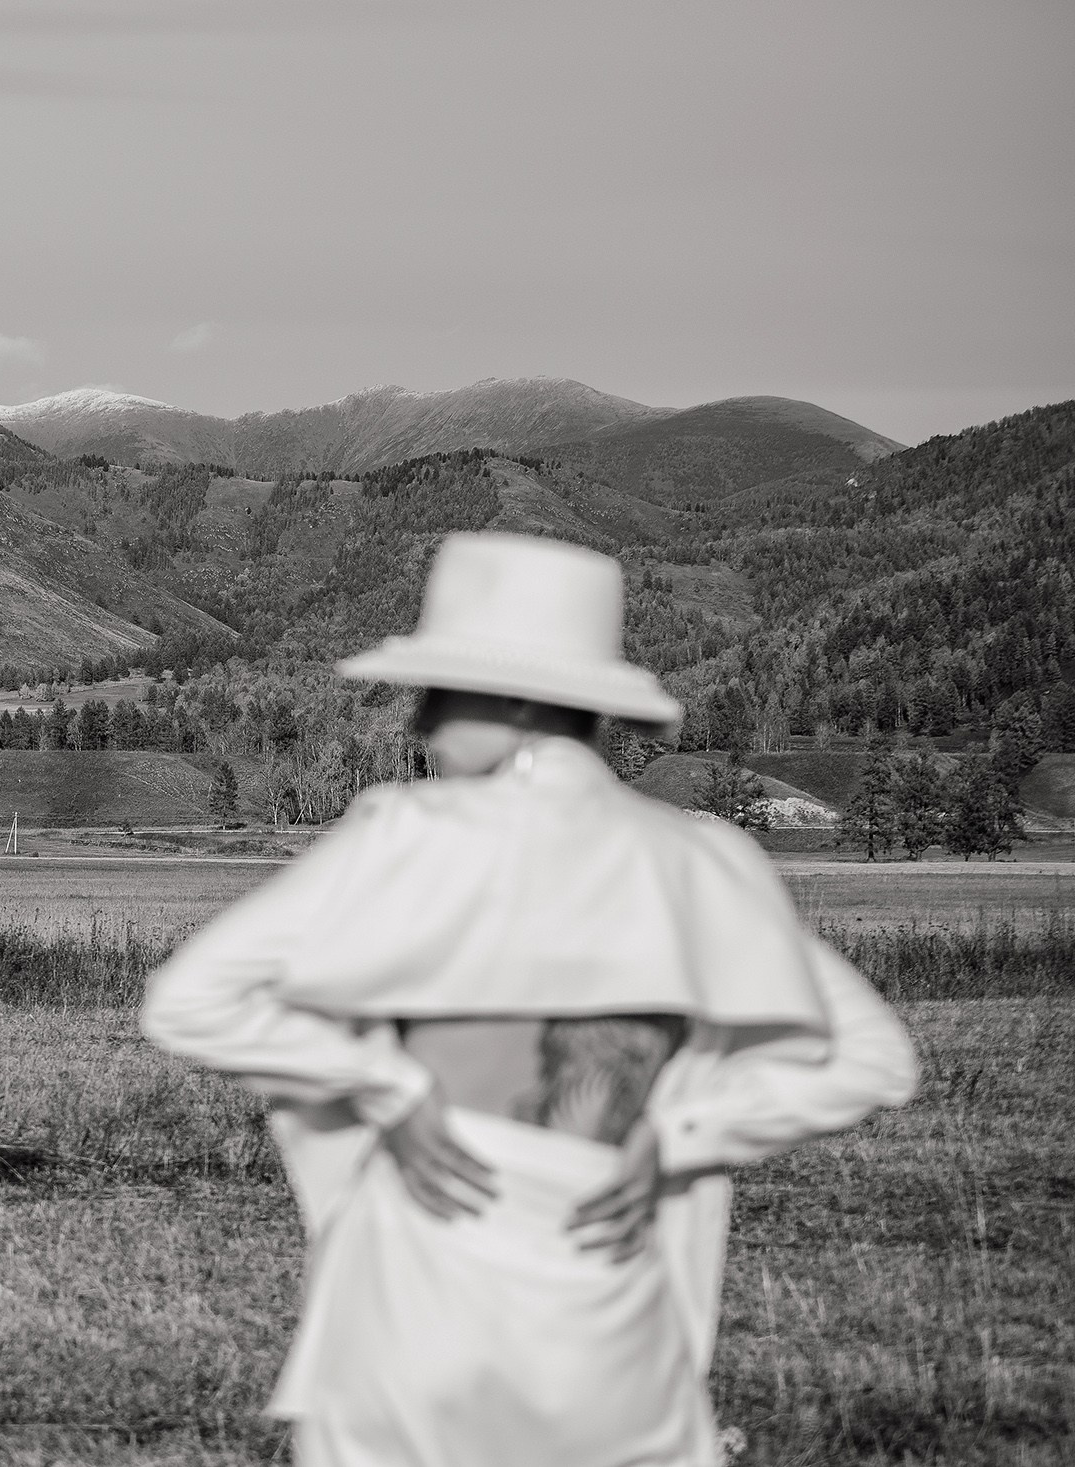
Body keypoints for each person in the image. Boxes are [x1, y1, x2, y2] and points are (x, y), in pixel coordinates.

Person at [142, 532, 917, 1467]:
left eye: (438, 693)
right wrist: (681, 1137)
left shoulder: (405, 834)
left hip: (416, 1299)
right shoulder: (697, 859)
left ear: (514, 698)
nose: (420, 722)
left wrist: (389, 1086)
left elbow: (188, 1001)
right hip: (608, 1312)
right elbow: (872, 1058)